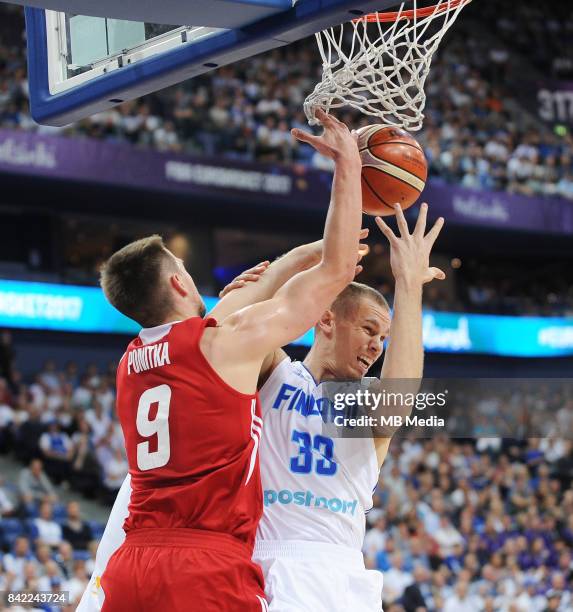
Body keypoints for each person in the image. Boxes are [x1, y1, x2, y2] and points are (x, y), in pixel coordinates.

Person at [80, 201, 444, 611]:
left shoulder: (365, 401)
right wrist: (248, 294)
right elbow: (211, 341)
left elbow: (398, 400)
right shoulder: (274, 372)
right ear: (325, 320)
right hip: (263, 561)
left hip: (342, 570)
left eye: (384, 336)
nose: (377, 345)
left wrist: (410, 287)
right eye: (368, 329)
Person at [90, 108, 364, 612]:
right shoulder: (224, 341)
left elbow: (234, 309)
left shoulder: (132, 360)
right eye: (186, 270)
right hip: (203, 566)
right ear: (178, 283)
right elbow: (340, 269)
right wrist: (349, 169)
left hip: (131, 567)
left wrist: (296, 258)